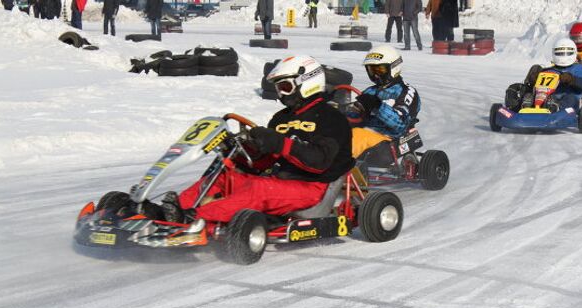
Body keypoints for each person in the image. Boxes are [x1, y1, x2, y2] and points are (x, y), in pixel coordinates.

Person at [158, 56, 354, 226]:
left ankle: (193, 219)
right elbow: (263, 162)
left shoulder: (331, 118)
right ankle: (168, 212)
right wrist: (243, 150)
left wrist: (280, 143)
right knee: (224, 176)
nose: (280, 94)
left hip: (312, 187)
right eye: (278, 88)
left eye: (285, 87)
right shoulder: (281, 118)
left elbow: (320, 162)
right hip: (279, 181)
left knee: (258, 189)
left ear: (307, 83)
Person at [351, 45, 421, 158]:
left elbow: (400, 124)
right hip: (367, 134)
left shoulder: (406, 92)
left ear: (394, 67)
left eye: (380, 69)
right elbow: (354, 116)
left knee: (357, 135)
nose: (375, 75)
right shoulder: (370, 91)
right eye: (371, 70)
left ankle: (335, 167)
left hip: (388, 139)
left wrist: (377, 106)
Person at [505, 38, 582, 113]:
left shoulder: (578, 68)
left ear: (573, 52)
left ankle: (557, 110)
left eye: (566, 53)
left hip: (569, 98)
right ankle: (518, 107)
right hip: (548, 97)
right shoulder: (551, 69)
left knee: (570, 98)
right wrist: (535, 78)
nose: (563, 56)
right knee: (517, 88)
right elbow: (541, 80)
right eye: (560, 53)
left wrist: (571, 79)